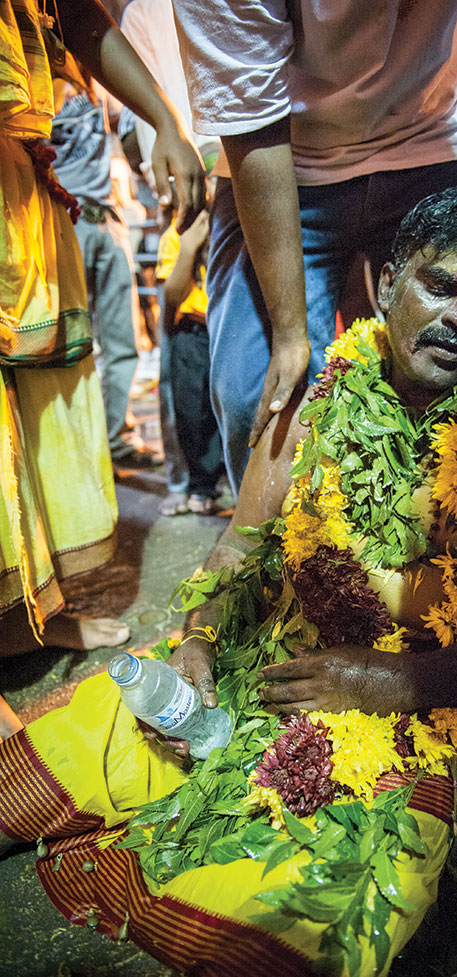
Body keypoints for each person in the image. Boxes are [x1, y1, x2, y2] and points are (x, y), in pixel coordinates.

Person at [0, 186, 457, 976]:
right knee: (87, 744)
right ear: (385, 284)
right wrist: (204, 642)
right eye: (440, 285)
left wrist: (401, 679)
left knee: (321, 898)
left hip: (419, 723)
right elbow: (234, 551)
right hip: (265, 670)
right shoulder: (311, 404)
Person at [171, 0, 457, 490]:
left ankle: (446, 548)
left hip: (439, 128)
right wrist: (291, 334)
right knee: (257, 396)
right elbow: (250, 120)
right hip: (284, 153)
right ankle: (302, 555)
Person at [0, 0, 205, 739]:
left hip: (21, 176)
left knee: (35, 394)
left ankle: (22, 621)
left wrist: (165, 124)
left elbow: (83, 23)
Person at [48, 79, 161, 468]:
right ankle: (77, 444)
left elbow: (128, 132)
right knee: (71, 337)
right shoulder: (40, 75)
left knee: (121, 337)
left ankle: (116, 436)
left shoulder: (97, 86)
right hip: (63, 216)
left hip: (108, 218)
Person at [155, 204, 226, 514]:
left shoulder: (230, 225)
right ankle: (199, 484)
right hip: (193, 328)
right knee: (191, 411)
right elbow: (172, 294)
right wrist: (189, 246)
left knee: (225, 407)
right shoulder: (176, 233)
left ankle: (221, 481)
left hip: (227, 326)